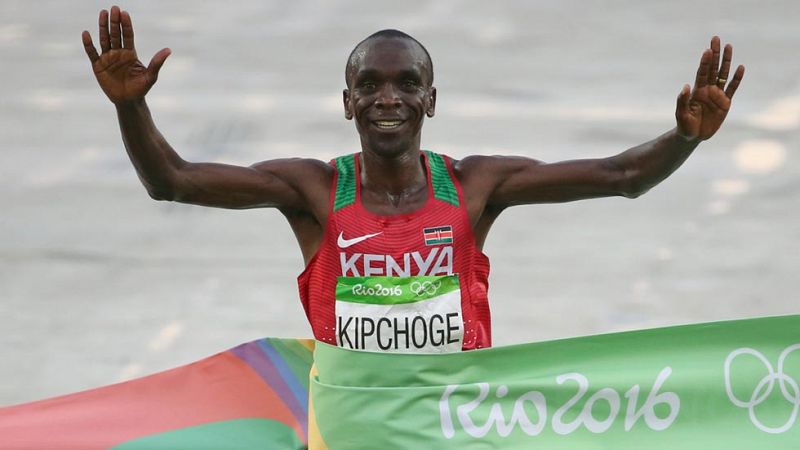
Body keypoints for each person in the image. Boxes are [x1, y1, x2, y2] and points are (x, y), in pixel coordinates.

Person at [81, 6, 744, 354]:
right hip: (351, 425)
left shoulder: (473, 186)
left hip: (455, 423)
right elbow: (173, 181)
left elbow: (620, 175)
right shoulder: (314, 192)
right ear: (347, 103)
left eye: (407, 84)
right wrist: (130, 104)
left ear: (431, 100)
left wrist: (683, 138)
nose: (387, 98)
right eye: (369, 85)